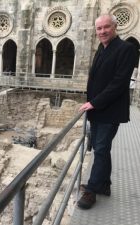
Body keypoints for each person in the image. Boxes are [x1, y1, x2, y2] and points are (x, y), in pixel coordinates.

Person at [77, 14, 137, 209]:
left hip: (110, 111)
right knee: (101, 150)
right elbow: (95, 79)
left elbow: (119, 84)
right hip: (97, 110)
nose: (102, 31)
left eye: (106, 27)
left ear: (115, 27)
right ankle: (104, 184)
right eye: (99, 28)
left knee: (101, 149)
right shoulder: (101, 49)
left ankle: (92, 191)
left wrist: (94, 103)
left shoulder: (126, 49)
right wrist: (91, 102)